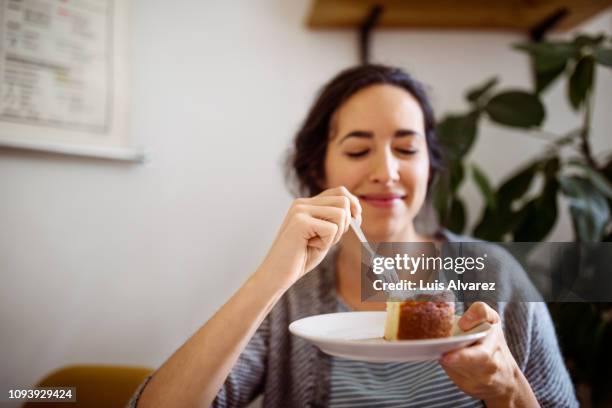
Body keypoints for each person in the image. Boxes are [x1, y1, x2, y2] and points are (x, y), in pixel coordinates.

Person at [130, 65, 578, 408]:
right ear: (318, 167)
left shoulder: (494, 274)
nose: (386, 172)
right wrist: (270, 278)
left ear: (430, 165)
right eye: (358, 150)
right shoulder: (292, 297)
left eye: (407, 149)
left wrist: (509, 391)